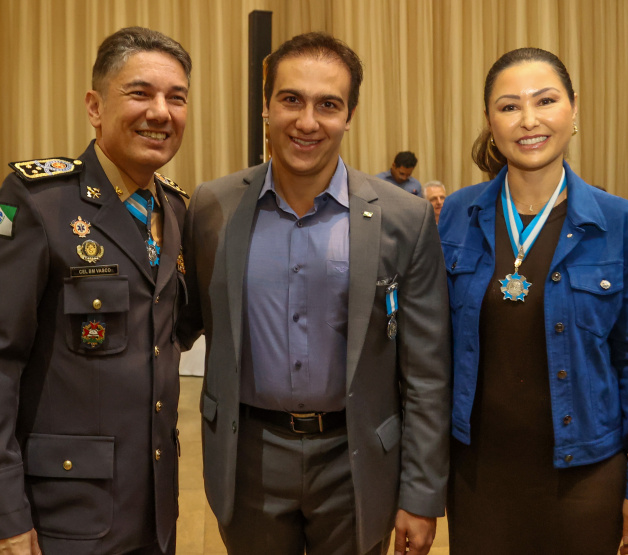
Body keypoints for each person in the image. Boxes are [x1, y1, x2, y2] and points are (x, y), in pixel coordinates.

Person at [178, 33, 451, 555]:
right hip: (248, 456)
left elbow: (426, 373)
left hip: (357, 460)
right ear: (265, 106)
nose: (307, 122)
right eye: (291, 100)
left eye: (328, 105)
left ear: (349, 114)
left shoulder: (404, 219)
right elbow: (182, 323)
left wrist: (420, 494)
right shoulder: (213, 208)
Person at [0, 27, 191, 555]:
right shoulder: (39, 203)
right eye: (140, 93)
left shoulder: (174, 210)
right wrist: (0, 515)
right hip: (65, 513)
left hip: (154, 505)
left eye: (176, 98)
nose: (161, 111)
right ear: (95, 106)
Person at [439, 47, 628, 555]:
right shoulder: (455, 217)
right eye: (509, 106)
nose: (529, 120)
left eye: (545, 101)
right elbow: (431, 357)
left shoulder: (622, 223)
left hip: (585, 474)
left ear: (574, 108)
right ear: (489, 121)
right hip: (478, 476)